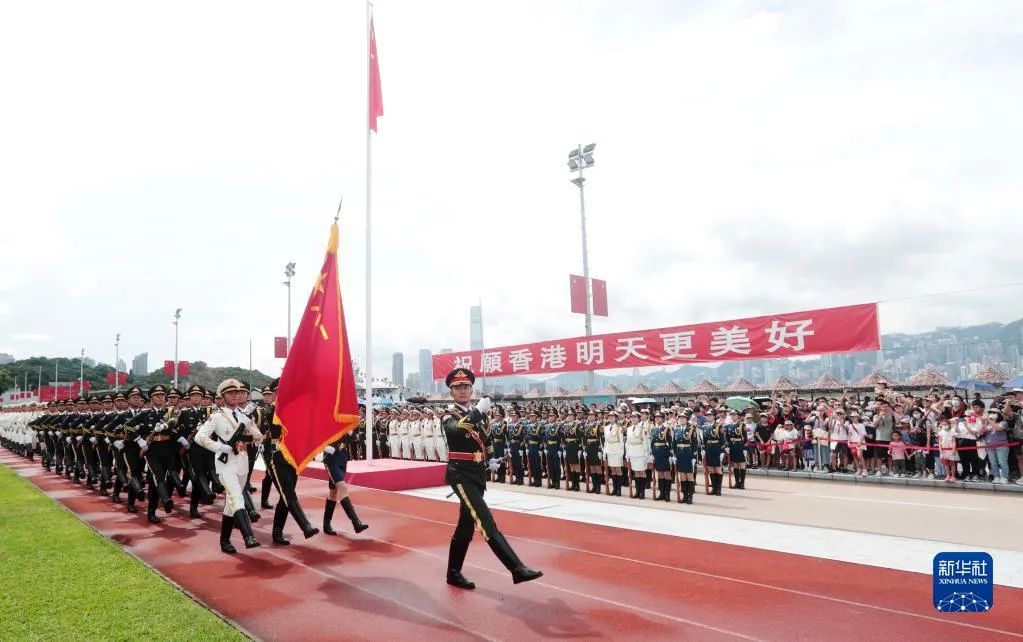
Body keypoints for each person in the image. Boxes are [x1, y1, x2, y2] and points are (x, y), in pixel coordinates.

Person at [440, 368, 542, 590]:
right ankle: (516, 568)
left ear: (471, 389)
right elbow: (457, 431)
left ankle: (453, 572)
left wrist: (493, 458)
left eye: (466, 386)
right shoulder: (448, 415)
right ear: (451, 393)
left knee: (465, 527)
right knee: (485, 520)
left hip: (477, 474)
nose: (463, 391)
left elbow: (487, 439)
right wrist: (477, 411)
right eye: (458, 388)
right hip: (460, 475)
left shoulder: (481, 415)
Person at [194, 379, 263, 554]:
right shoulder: (216, 416)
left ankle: (224, 541)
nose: (235, 395)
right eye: (231, 393)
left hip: (242, 460)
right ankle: (249, 536)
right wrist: (219, 447)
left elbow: (259, 437)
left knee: (230, 505)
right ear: (222, 396)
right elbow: (200, 437)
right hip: (226, 463)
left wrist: (248, 427)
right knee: (236, 498)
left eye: (238, 393)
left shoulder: (244, 415)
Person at [321, 428, 369, 535]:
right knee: (342, 488)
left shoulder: (344, 422)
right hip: (331, 459)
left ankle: (326, 524)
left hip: (342, 458)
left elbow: (354, 439)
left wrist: (350, 430)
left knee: (333, 493)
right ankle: (356, 522)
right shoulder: (325, 422)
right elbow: (317, 440)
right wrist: (327, 448)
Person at [603, 410, 625, 496]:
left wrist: (621, 452)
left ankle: (619, 489)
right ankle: (614, 488)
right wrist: (605, 451)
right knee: (612, 470)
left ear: (616, 418)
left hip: (617, 449)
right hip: (609, 449)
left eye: (612, 417)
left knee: (618, 470)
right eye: (609, 417)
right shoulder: (606, 427)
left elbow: (621, 440)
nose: (610, 418)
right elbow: (605, 441)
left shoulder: (619, 427)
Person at [725, 410, 748, 489]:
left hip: (740, 446)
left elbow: (745, 438)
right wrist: (727, 446)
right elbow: (727, 437)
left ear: (738, 416)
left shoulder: (742, 425)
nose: (733, 416)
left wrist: (744, 448)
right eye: (731, 415)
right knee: (735, 464)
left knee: (741, 464)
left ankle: (742, 483)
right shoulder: (729, 426)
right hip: (732, 446)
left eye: (734, 415)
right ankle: (737, 482)